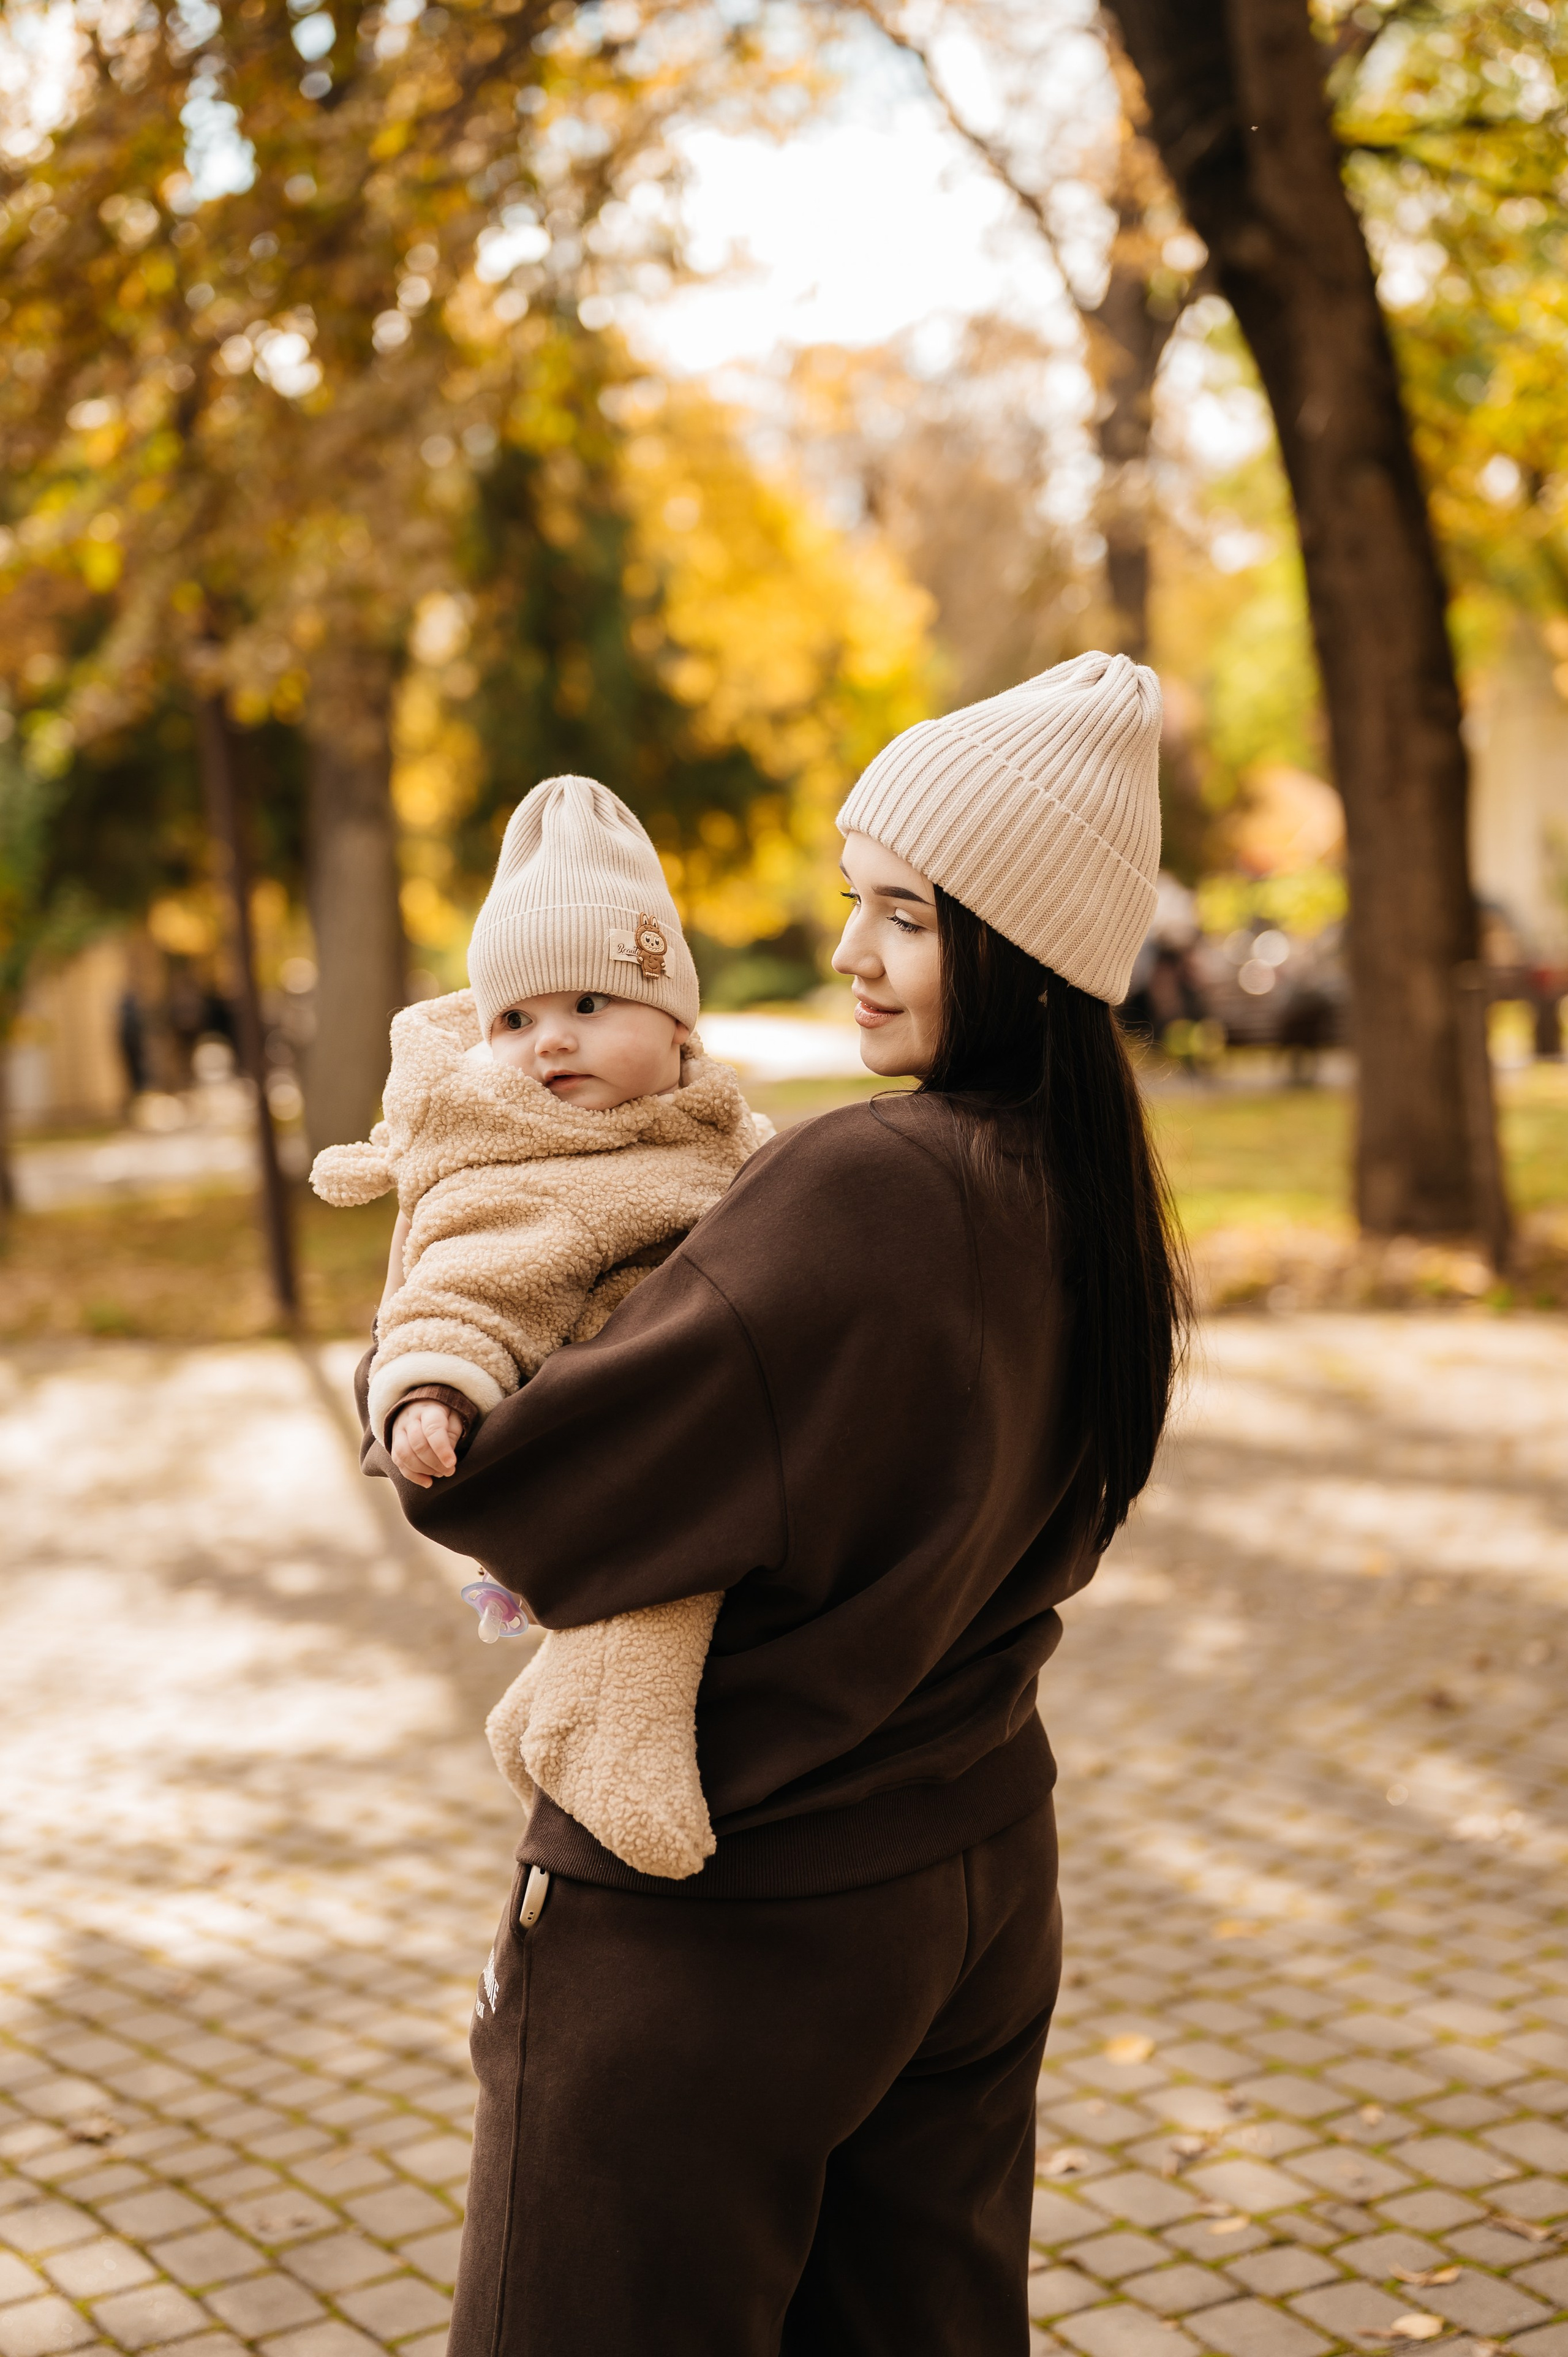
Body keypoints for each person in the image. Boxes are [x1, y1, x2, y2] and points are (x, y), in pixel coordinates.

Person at [359, 651, 1188, 2357]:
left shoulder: (866, 1188)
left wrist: (439, 1336)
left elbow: (529, 1500)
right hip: (970, 1882)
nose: (846, 953)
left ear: (1020, 948)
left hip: (724, 1923)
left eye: (904, 914)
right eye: (850, 902)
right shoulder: (1091, 1209)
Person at [320, 775, 769, 1879]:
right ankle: (603, 1736)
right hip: (591, 1449)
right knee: (669, 1580)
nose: (549, 1046)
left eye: (588, 1007)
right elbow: (465, 1284)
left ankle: (558, 1712)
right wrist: (430, 1387)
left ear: (676, 1022)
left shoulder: (709, 1125)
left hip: (687, 1405)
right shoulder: (522, 1159)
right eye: (513, 1020)